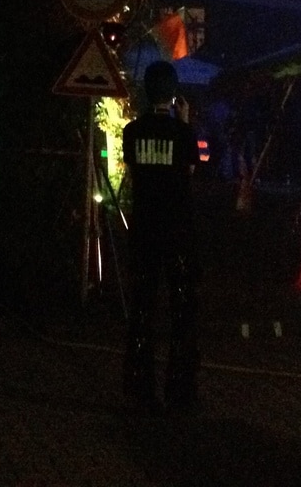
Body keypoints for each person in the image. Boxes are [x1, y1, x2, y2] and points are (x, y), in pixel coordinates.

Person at [122, 59, 200, 412]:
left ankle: (139, 384)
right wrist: (183, 123)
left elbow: (134, 172)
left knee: (142, 306)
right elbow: (189, 171)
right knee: (182, 309)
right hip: (177, 230)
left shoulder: (132, 132)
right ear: (173, 93)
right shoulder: (183, 133)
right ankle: (179, 387)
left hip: (144, 228)